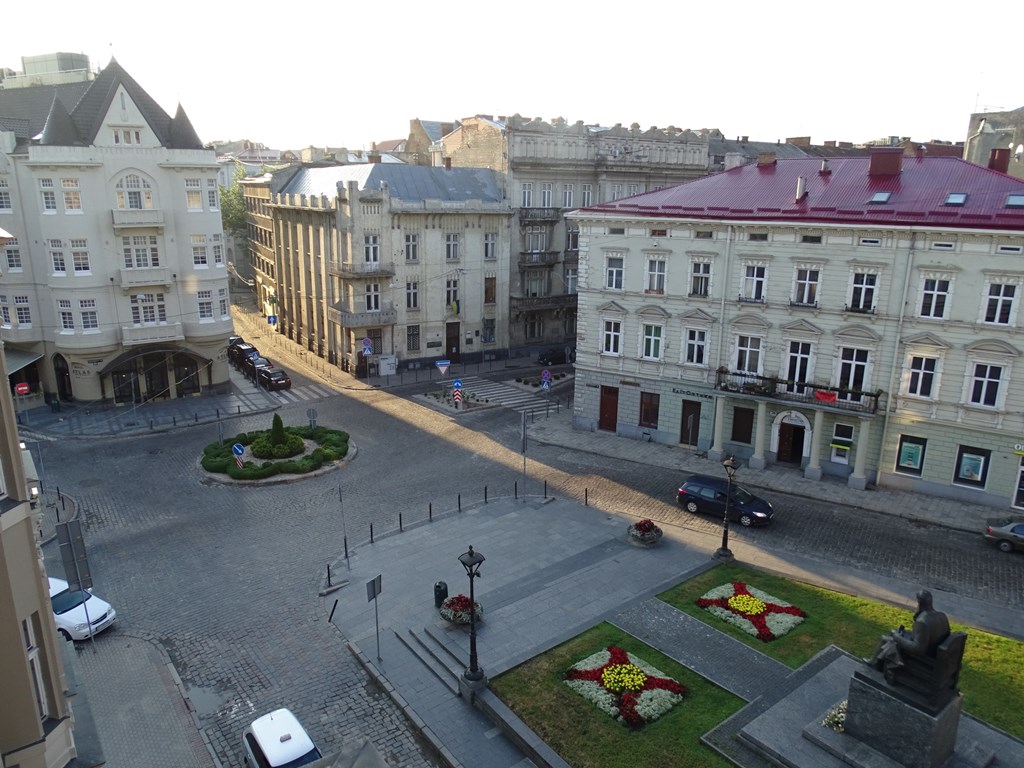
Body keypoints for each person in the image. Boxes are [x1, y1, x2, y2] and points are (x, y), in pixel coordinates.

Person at [866, 590, 951, 682]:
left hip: (927, 658)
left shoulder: (922, 621)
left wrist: (897, 637)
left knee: (892, 642)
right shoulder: (942, 616)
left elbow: (917, 649)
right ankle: (875, 662)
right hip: (935, 651)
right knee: (887, 639)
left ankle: (886, 668)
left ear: (920, 604)